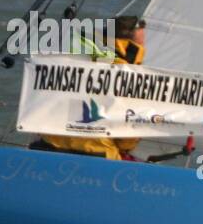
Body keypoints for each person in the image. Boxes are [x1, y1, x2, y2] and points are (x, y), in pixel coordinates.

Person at [37, 16, 147, 161]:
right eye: (142, 40)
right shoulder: (130, 76)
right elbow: (129, 129)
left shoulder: (66, 59)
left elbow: (39, 102)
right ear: (132, 44)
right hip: (98, 155)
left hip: (48, 147)